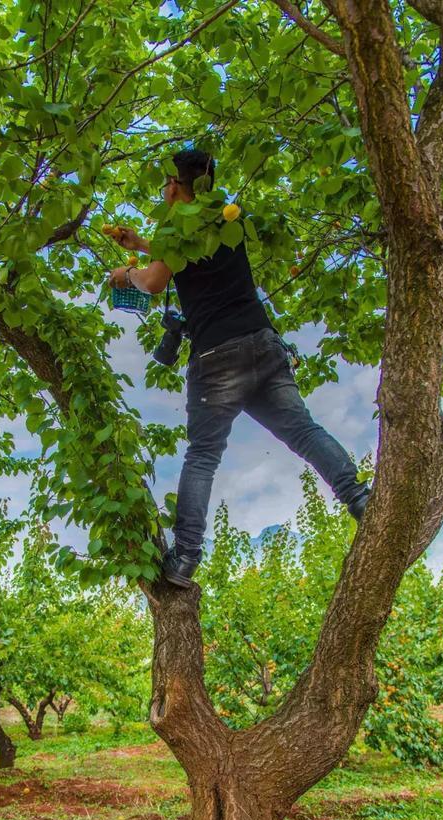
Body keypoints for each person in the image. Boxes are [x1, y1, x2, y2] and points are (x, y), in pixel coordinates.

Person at [108, 148, 370, 588]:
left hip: (216, 358)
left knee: (203, 455)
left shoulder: (175, 224)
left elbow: (155, 281)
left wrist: (127, 272)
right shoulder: (226, 216)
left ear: (174, 185)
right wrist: (144, 246)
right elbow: (193, 255)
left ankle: (186, 558)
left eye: (166, 183)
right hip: (263, 344)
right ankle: (361, 500)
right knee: (304, 432)